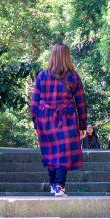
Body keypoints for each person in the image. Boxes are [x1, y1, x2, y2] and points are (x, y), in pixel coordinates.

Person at [31, 43, 87, 197]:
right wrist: (82, 124)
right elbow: (81, 102)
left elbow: (35, 101)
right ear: (67, 57)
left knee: (50, 151)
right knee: (62, 153)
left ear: (52, 56)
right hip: (66, 118)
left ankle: (54, 184)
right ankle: (59, 186)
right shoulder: (74, 76)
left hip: (45, 118)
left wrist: (35, 121)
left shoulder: (42, 76)